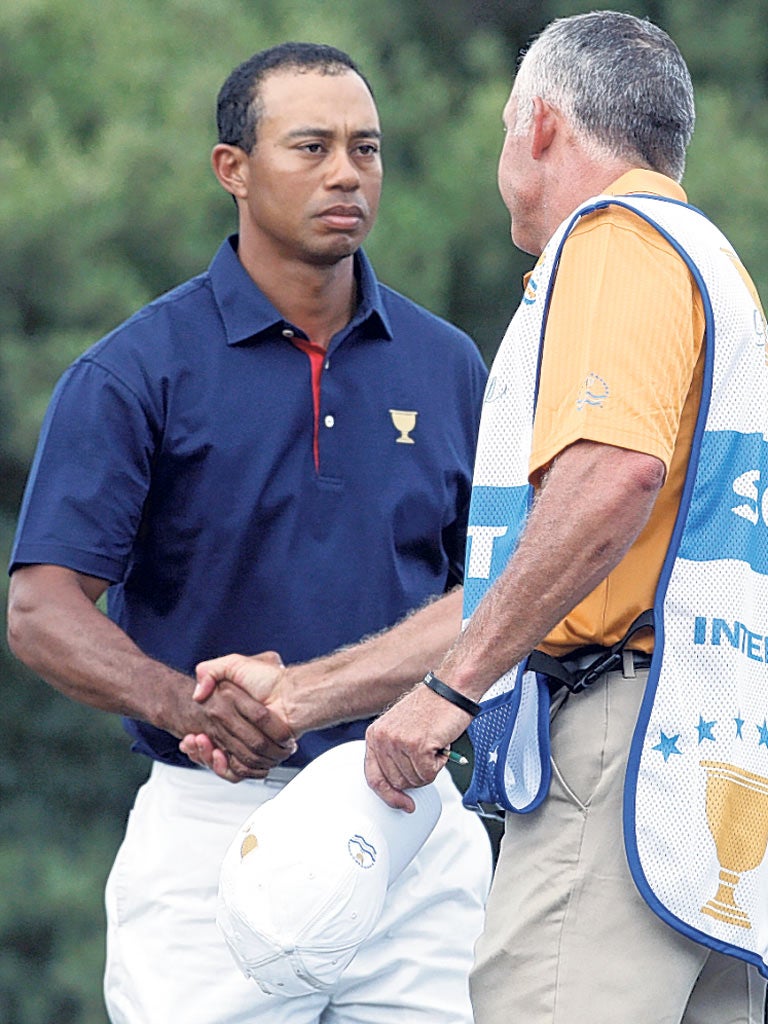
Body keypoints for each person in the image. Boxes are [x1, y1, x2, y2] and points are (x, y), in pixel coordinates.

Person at [191, 13, 768, 1024]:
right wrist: (300, 697)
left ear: (539, 127)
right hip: (704, 779)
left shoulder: (614, 242)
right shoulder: (714, 268)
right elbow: (535, 580)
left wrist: (449, 691)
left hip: (613, 762)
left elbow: (608, 483)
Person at [6, 42, 492, 1024]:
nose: (346, 172)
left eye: (367, 148)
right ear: (233, 168)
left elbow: (493, 587)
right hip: (212, 824)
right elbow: (39, 606)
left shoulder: (449, 366)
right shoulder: (134, 371)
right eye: (310, 146)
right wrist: (186, 700)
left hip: (408, 819)